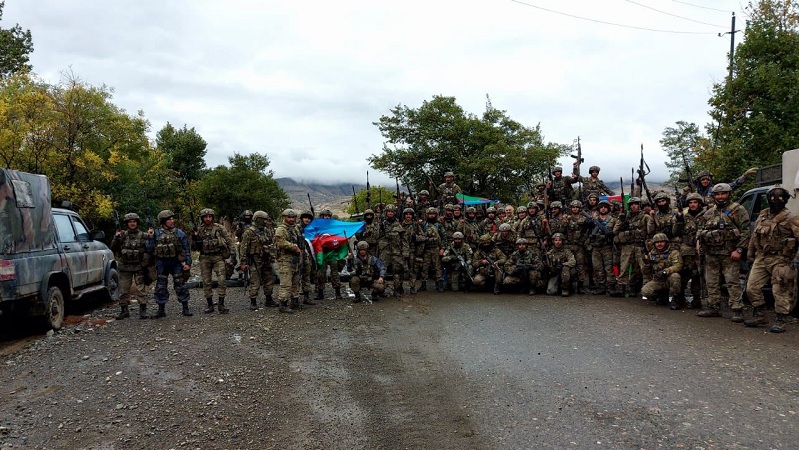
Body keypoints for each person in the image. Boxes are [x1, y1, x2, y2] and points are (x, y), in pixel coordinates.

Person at [743, 186, 799, 333]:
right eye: (772, 198)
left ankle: (781, 319)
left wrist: (796, 259)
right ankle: (760, 314)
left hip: (781, 258)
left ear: (785, 199)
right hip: (762, 256)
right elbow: (754, 236)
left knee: (780, 289)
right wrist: (750, 254)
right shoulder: (763, 216)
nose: (776, 201)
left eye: (780, 198)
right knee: (751, 287)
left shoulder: (791, 217)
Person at [696, 183, 751, 320]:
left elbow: (746, 231)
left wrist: (739, 250)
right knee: (711, 281)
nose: (720, 197)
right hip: (711, 253)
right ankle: (713, 306)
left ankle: (737, 309)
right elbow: (700, 229)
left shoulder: (737, 210)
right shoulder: (709, 212)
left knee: (732, 281)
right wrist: (698, 243)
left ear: (729, 194)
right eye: (718, 194)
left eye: (723, 194)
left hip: (729, 253)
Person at [110, 212, 154, 319]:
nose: (132, 224)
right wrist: (116, 237)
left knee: (141, 289)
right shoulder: (122, 235)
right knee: (123, 289)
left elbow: (151, 249)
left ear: (137, 223)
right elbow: (113, 248)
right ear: (127, 223)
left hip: (139, 266)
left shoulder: (144, 235)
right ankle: (124, 310)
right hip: (125, 266)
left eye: (134, 221)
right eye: (130, 222)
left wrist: (151, 237)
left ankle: (143, 310)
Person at [193, 208, 235, 314]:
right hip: (205, 257)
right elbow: (193, 247)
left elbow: (229, 240)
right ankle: (210, 305)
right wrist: (195, 237)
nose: (208, 219)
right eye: (205, 217)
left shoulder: (219, 228)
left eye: (210, 217)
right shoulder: (199, 230)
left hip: (218, 257)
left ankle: (221, 304)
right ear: (202, 218)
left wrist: (233, 254)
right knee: (206, 282)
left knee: (222, 280)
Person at [152, 210, 193, 318]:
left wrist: (188, 263)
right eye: (169, 219)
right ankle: (161, 309)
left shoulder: (179, 233)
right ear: (163, 221)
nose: (172, 221)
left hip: (176, 261)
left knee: (180, 284)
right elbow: (149, 248)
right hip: (161, 262)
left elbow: (186, 249)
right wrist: (150, 237)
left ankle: (185, 307)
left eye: (172, 219)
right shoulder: (156, 233)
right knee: (161, 285)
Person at [240, 210, 279, 310]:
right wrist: (243, 262)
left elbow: (272, 244)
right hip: (254, 259)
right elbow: (243, 248)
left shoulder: (267, 231)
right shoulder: (249, 232)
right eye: (264, 220)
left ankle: (269, 299)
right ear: (258, 219)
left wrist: (272, 255)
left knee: (268, 278)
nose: (266, 222)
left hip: (266, 258)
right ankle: (253, 301)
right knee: (255, 280)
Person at [613, 197, 650, 297]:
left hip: (640, 245)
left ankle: (635, 288)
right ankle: (621, 287)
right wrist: (621, 220)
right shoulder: (625, 217)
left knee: (640, 268)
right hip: (627, 246)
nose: (634, 206)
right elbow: (615, 231)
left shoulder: (645, 217)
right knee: (624, 267)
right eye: (632, 204)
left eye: (636, 204)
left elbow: (650, 231)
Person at [676, 192, 706, 308]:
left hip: (702, 250)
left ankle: (697, 299)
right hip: (687, 250)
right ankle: (680, 298)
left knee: (699, 275)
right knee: (685, 274)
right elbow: (676, 232)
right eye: (690, 202)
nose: (693, 205)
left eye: (695, 202)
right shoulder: (684, 216)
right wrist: (679, 220)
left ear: (699, 203)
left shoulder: (706, 214)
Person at [641, 233, 683, 308]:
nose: (659, 244)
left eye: (661, 242)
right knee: (645, 291)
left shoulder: (673, 252)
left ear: (666, 242)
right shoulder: (651, 254)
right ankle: (661, 295)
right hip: (658, 280)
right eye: (657, 242)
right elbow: (645, 272)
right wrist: (646, 264)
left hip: (669, 278)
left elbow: (678, 265)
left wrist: (665, 271)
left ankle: (675, 299)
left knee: (675, 276)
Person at [274, 209, 302, 313]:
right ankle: (283, 303)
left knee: (296, 281)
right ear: (284, 217)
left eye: (293, 217)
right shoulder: (281, 229)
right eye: (289, 217)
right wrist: (294, 247)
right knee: (286, 282)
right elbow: (281, 242)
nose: (291, 219)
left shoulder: (295, 228)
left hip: (295, 259)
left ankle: (295, 302)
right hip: (285, 259)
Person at [377, 204, 408, 297]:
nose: (390, 213)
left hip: (396, 251)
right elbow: (377, 238)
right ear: (386, 213)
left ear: (395, 213)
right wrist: (380, 229)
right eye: (388, 212)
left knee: (397, 271)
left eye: (392, 212)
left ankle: (397, 289)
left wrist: (405, 252)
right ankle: (381, 290)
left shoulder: (399, 225)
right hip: (385, 251)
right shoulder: (382, 224)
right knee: (382, 270)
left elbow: (404, 240)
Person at [588, 200, 617, 295]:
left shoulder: (613, 220)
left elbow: (615, 233)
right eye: (601, 207)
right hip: (595, 247)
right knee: (597, 268)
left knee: (609, 268)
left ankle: (611, 287)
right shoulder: (594, 220)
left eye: (605, 207)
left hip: (607, 247)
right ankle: (601, 286)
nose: (603, 209)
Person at [314, 209, 343, 301]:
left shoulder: (334, 227)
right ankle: (320, 292)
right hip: (322, 253)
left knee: (334, 273)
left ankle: (338, 292)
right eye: (325, 216)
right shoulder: (318, 227)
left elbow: (339, 237)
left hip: (332, 253)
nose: (326, 217)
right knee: (320, 273)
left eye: (328, 216)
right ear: (322, 217)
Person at [418, 207, 445, 292]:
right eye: (430, 214)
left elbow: (444, 237)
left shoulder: (439, 225)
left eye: (433, 214)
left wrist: (442, 248)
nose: (432, 215)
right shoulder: (423, 225)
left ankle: (439, 284)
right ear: (427, 215)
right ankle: (423, 284)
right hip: (426, 249)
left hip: (436, 248)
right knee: (424, 267)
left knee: (438, 267)